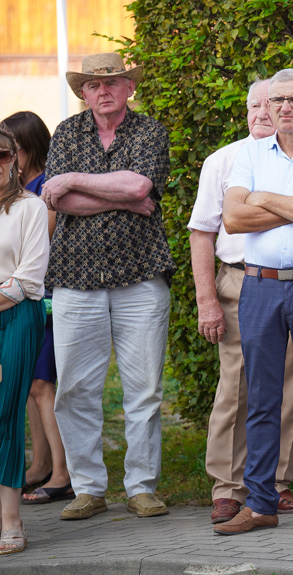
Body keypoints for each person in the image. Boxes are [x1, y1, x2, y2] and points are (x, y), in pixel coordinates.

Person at [189, 78, 293, 523]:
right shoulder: (246, 154)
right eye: (275, 100)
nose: (282, 107)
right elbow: (233, 218)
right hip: (258, 287)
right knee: (260, 398)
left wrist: (262, 198)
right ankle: (260, 503)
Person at [42, 52, 176, 520]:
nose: (104, 91)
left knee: (144, 390)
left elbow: (139, 187)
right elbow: (58, 201)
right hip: (75, 278)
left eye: (114, 82)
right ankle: (88, 489)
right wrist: (118, 194)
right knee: (75, 390)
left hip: (141, 275)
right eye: (95, 85)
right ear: (83, 92)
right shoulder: (65, 132)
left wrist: (74, 180)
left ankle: (141, 486)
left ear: (128, 88)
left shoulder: (150, 131)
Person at [2, 111, 72, 505]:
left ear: (24, 149)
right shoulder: (21, 186)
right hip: (20, 297)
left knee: (44, 386)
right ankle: (40, 465)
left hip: (40, 300)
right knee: (31, 385)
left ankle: (62, 475)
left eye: (9, 149)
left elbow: (40, 243)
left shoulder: (41, 190)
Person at [0, 123, 50, 555]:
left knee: (5, 413)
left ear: (14, 157)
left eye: (0, 154)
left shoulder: (30, 207)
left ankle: (11, 520)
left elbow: (28, 278)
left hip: (17, 316)